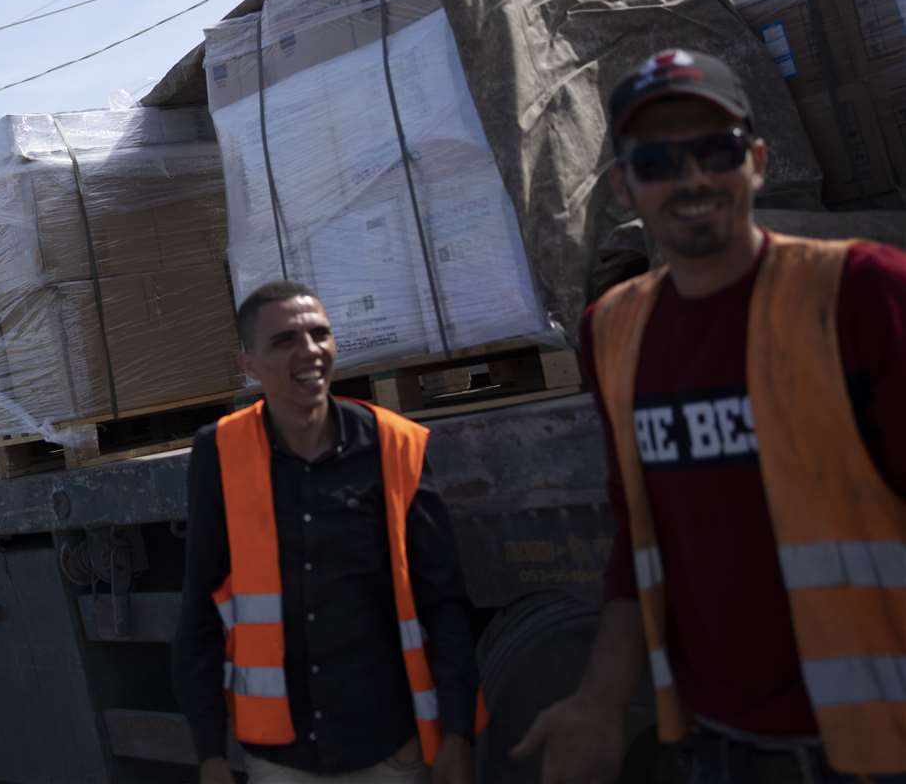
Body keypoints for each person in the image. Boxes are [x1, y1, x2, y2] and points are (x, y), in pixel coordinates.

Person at [513, 49, 906, 782]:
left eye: (714, 151)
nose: (690, 178)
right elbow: (638, 538)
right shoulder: (615, 330)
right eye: (657, 161)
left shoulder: (858, 294)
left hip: (879, 741)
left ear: (756, 160)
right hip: (718, 746)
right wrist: (599, 702)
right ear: (626, 185)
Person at [174, 281, 481, 784]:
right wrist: (210, 753)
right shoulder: (220, 454)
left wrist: (457, 734)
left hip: (389, 749)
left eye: (320, 335)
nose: (310, 352)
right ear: (247, 362)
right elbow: (199, 611)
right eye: (285, 340)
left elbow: (443, 601)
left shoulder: (393, 445)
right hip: (282, 760)